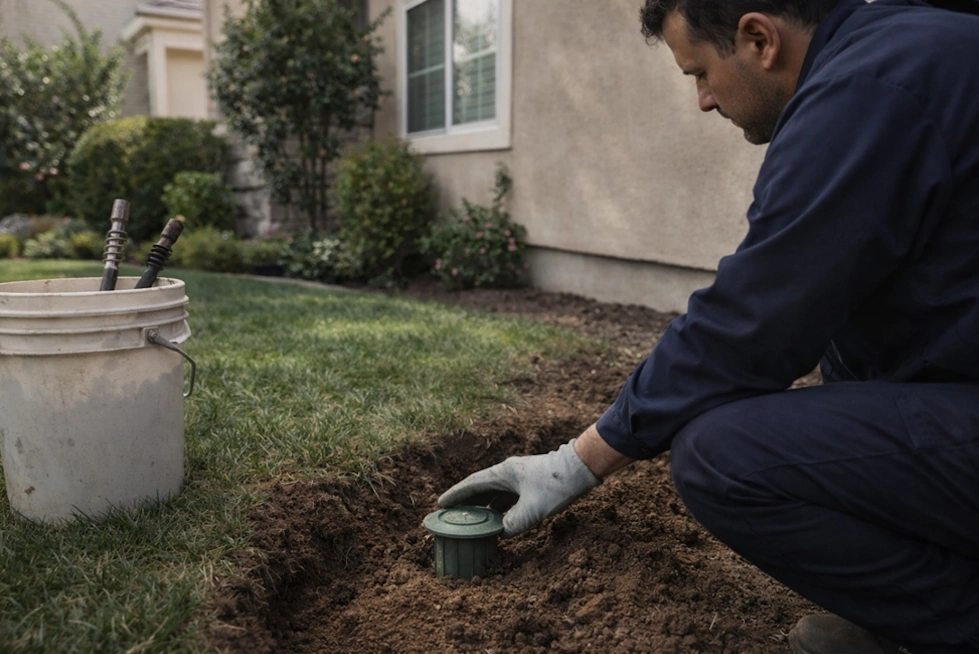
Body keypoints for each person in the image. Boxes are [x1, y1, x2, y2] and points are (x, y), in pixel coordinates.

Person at [437, 1, 979, 653]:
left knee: (723, 457)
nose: (701, 100)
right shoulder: (909, 50)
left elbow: (752, 321)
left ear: (757, 39)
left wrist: (575, 463)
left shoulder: (866, 93)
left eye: (697, 73)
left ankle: (953, 620)